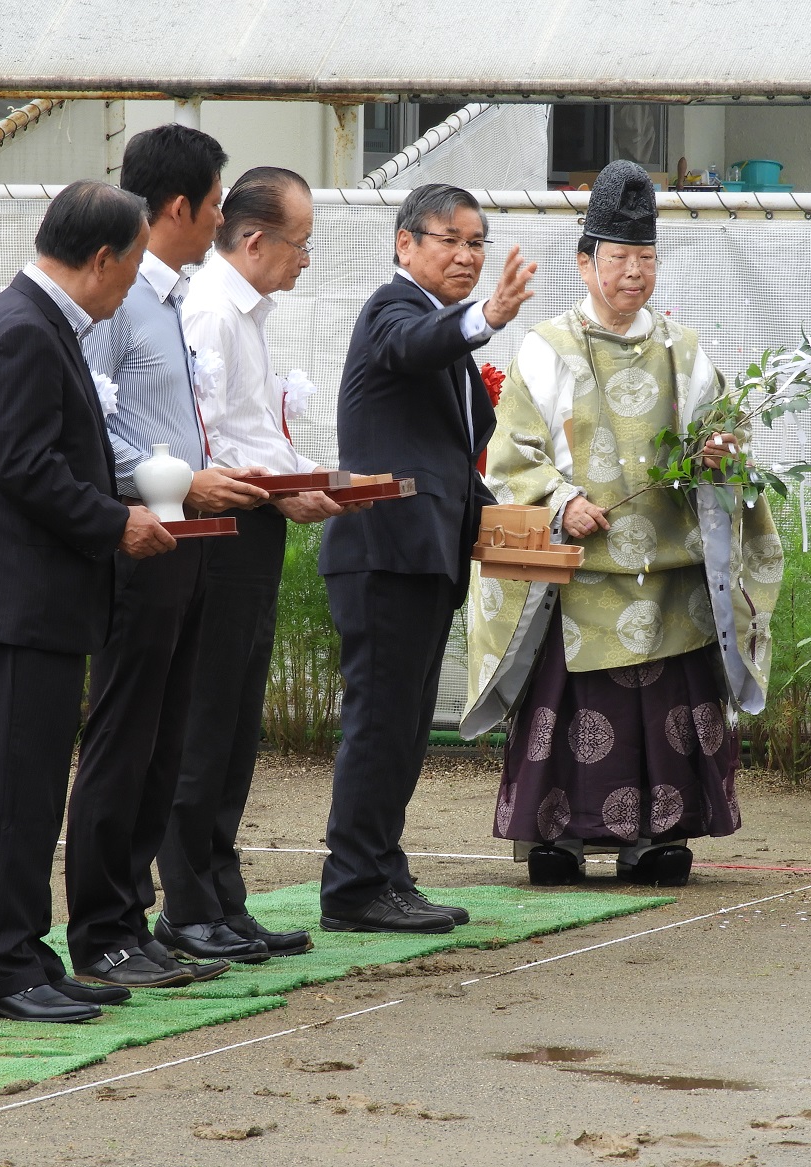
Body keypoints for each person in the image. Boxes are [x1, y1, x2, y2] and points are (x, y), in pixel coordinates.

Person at [461, 159, 783, 887]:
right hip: (577, 574)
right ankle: (559, 839)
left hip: (669, 577)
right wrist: (558, 501)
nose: (634, 272)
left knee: (666, 713)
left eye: (646, 258)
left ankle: (657, 838)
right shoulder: (546, 347)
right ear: (585, 263)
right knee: (570, 707)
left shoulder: (685, 351)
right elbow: (511, 455)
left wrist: (719, 455)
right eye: (618, 258)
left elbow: (727, 442)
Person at [0, 180, 175, 1024]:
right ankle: (0, 971)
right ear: (102, 258)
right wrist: (118, 522)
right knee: (8, 794)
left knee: (31, 791)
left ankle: (26, 954)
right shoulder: (23, 331)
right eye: (133, 266)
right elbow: (24, 467)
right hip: (12, 604)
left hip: (32, 603)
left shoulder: (39, 324)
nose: (132, 287)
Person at [64, 126, 271, 989]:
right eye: (216, 203)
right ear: (179, 207)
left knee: (166, 737)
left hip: (185, 538)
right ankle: (100, 928)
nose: (223, 218)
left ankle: (133, 918)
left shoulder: (173, 297)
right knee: (124, 737)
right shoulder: (115, 296)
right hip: (139, 539)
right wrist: (181, 479)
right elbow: (89, 420)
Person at [318, 183, 537, 933]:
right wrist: (487, 317)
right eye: (451, 239)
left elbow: (451, 464)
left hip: (423, 557)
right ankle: (353, 886)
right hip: (382, 552)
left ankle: (381, 870)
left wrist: (519, 529)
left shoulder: (440, 332)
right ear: (404, 243)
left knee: (406, 727)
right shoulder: (393, 309)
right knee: (381, 723)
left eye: (477, 243)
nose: (467, 255)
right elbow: (411, 345)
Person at [154, 167, 348, 962]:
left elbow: (252, 431)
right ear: (256, 239)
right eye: (300, 243)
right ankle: (186, 904)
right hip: (220, 528)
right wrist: (283, 486)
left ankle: (222, 896)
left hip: (255, 523)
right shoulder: (209, 309)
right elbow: (201, 437)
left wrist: (305, 476)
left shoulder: (247, 315)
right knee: (206, 719)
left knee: (236, 722)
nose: (305, 258)